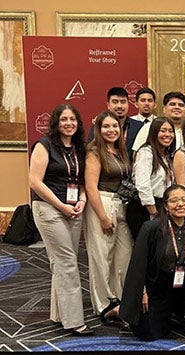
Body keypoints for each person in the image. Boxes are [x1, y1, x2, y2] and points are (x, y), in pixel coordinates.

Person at [28, 104, 92, 335]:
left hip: (74, 210)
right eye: (64, 119)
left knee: (62, 261)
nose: (68, 123)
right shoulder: (44, 145)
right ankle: (75, 321)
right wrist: (61, 206)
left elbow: (83, 182)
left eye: (72, 119)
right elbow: (35, 182)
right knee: (67, 263)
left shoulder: (79, 148)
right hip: (49, 209)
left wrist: (82, 202)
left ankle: (58, 313)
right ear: (56, 122)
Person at [119, 185, 185, 341]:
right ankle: (116, 309)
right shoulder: (151, 228)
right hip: (156, 288)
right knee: (150, 333)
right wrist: (143, 291)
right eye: (174, 201)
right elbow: (138, 265)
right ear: (166, 206)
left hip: (180, 288)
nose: (180, 204)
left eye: (184, 199)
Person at [84, 111, 133, 321]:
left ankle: (120, 298)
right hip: (102, 204)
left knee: (124, 255)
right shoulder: (94, 153)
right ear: (99, 129)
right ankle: (104, 304)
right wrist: (103, 216)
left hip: (122, 205)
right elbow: (90, 187)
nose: (111, 130)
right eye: (106, 127)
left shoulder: (121, 151)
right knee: (102, 257)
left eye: (115, 126)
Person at [127, 117, 176, 238]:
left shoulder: (167, 155)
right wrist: (153, 212)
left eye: (170, 131)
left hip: (162, 206)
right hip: (144, 208)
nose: (167, 134)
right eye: (163, 130)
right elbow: (143, 185)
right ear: (154, 132)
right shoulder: (146, 152)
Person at [88, 87, 144, 155]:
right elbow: (91, 149)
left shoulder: (139, 127)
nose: (119, 106)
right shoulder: (98, 125)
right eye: (115, 102)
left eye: (123, 102)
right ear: (108, 105)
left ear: (128, 104)